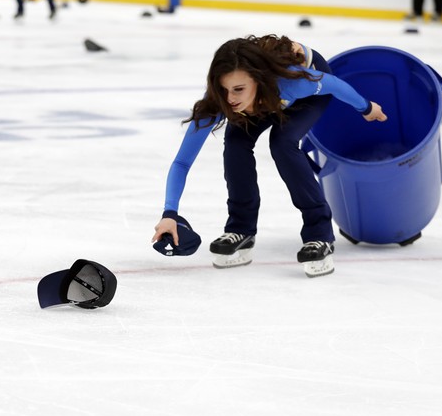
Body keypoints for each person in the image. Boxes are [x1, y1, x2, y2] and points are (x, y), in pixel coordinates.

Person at [151, 35, 388, 278]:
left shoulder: (293, 82)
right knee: (235, 141)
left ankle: (319, 234)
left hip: (304, 96)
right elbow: (181, 162)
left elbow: (335, 85)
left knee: (282, 142)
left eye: (238, 89)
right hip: (262, 99)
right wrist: (169, 213)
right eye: (224, 90)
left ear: (256, 81)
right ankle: (241, 229)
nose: (230, 98)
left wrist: (366, 108)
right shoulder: (221, 102)